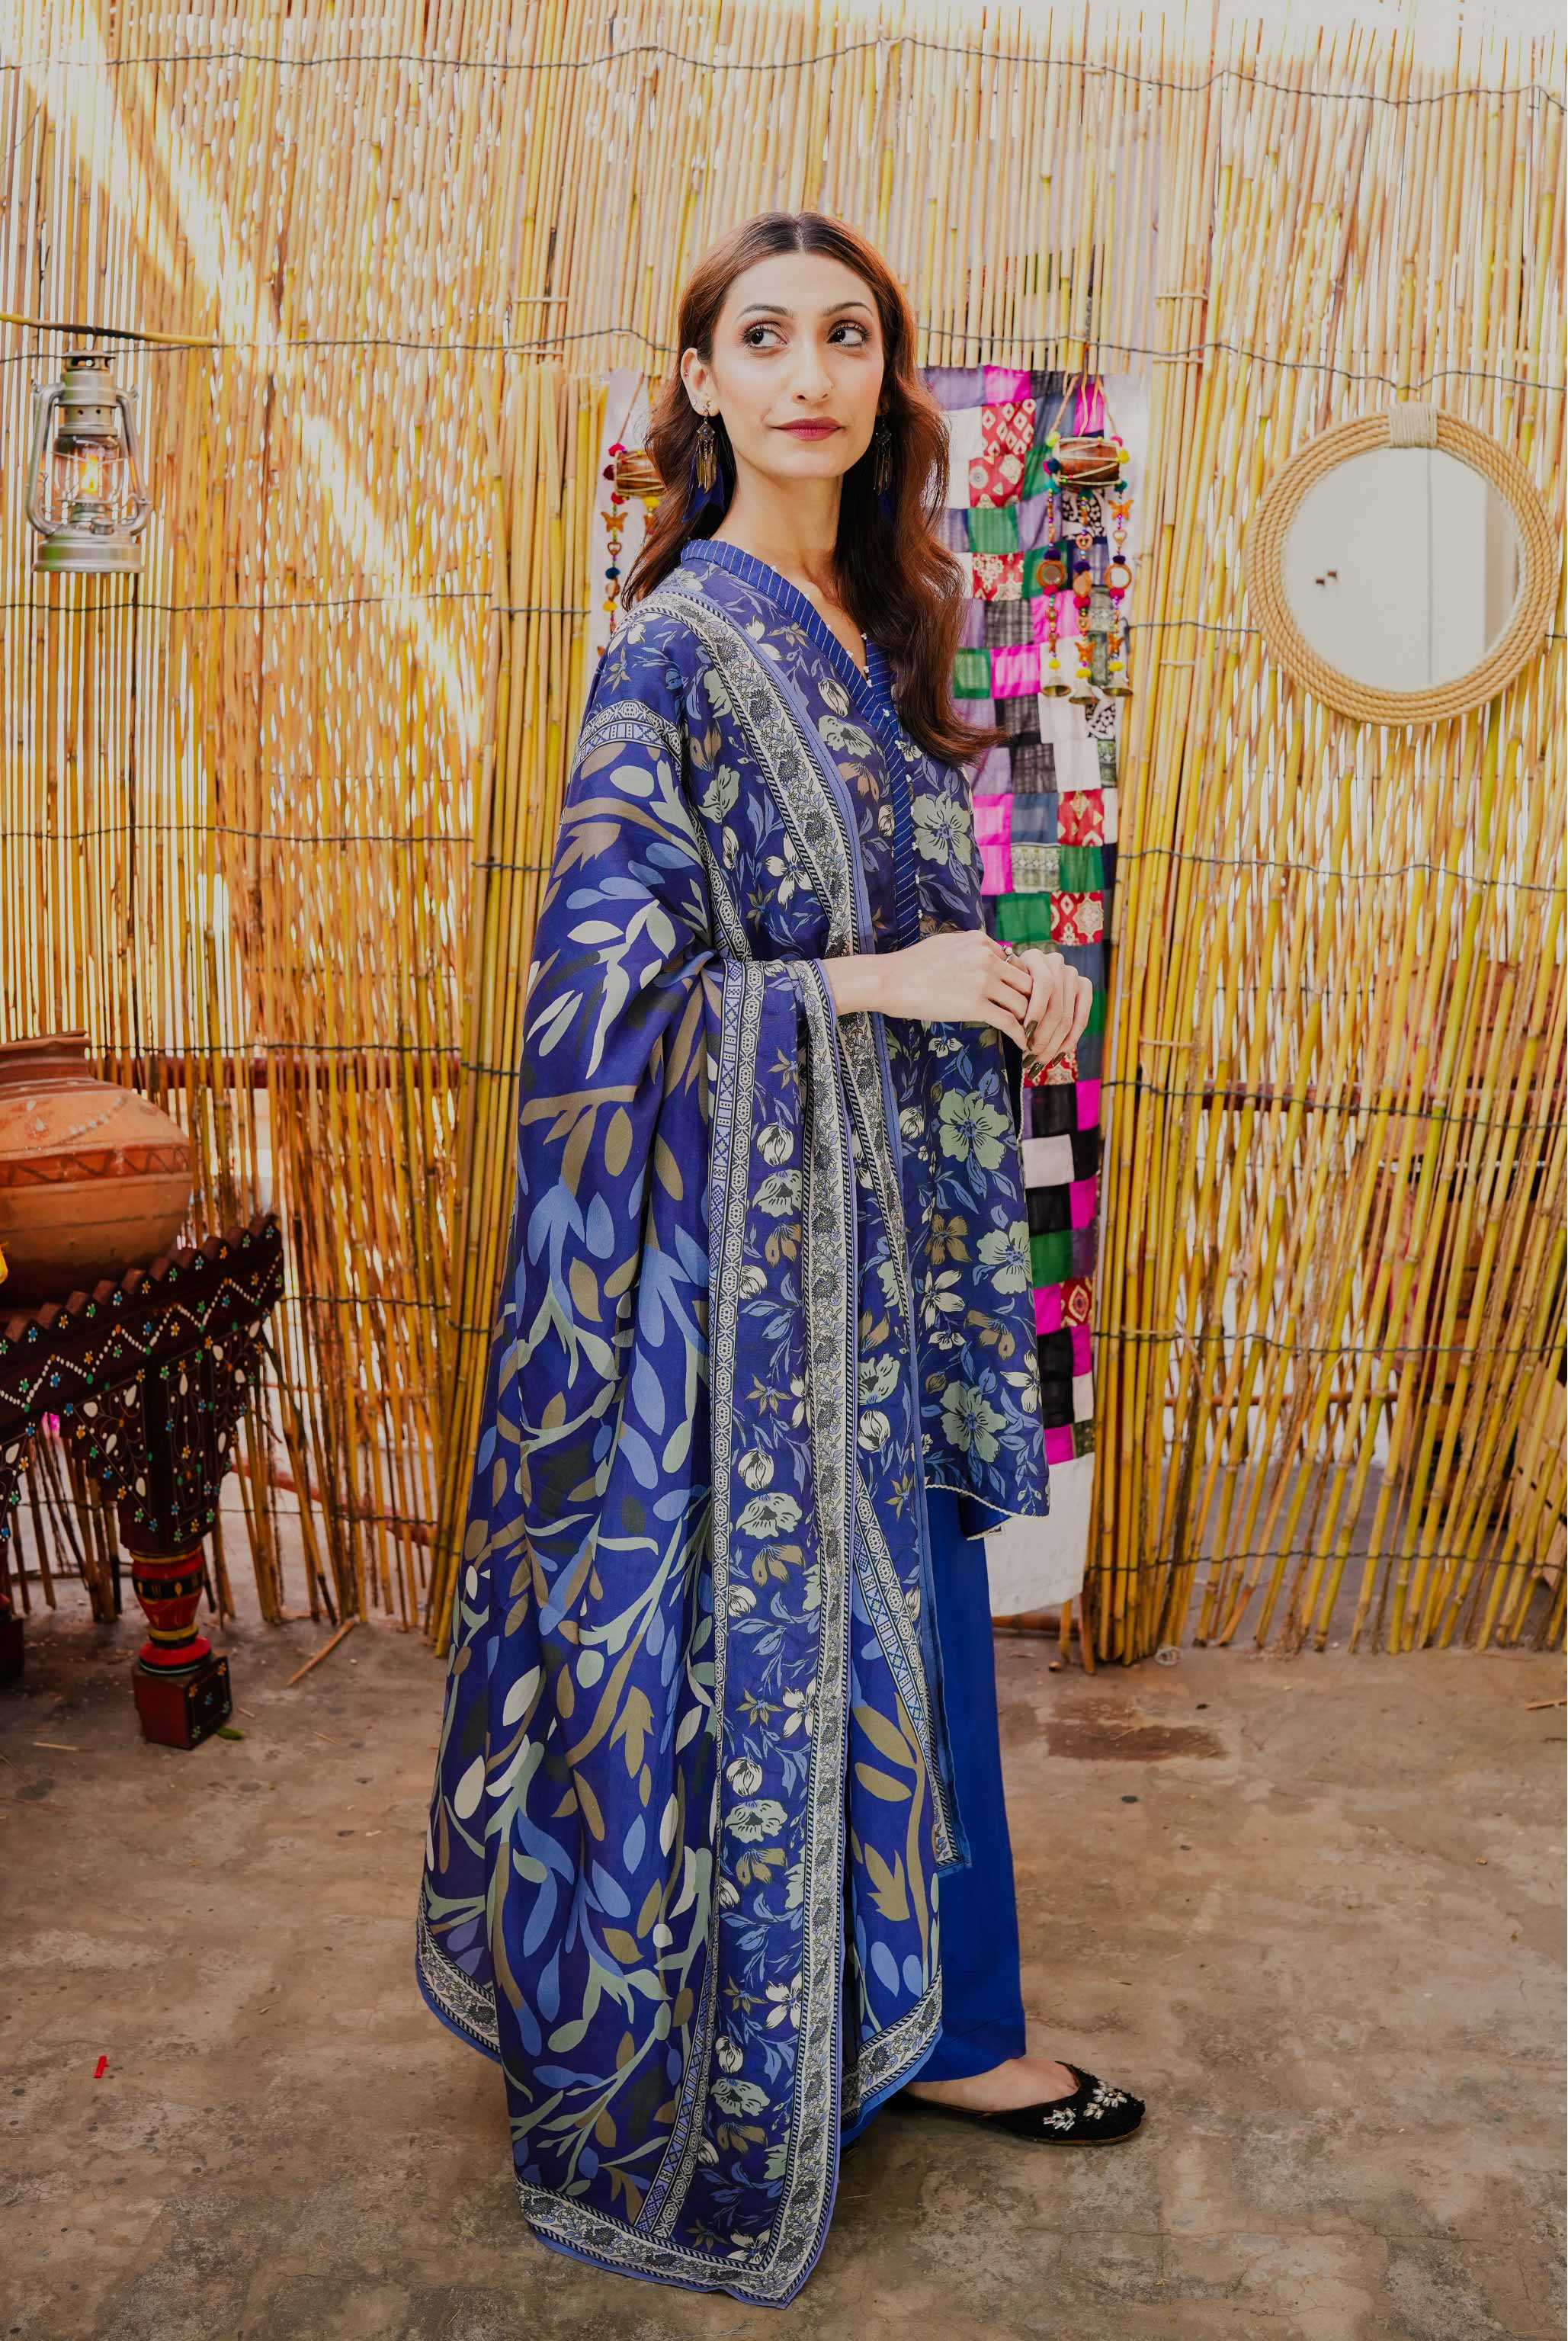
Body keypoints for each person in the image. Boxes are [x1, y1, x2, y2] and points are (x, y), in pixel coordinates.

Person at [415, 208, 1144, 2309]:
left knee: (911, 1630)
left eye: (847, 334)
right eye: (764, 334)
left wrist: (1011, 980)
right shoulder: (673, 645)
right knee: (789, 1637)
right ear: (704, 380)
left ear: (882, 381)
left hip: (876, 1257)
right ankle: (792, 2035)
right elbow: (603, 1007)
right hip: (739, 1293)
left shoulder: (876, 625)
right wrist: (871, 990)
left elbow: (899, 928)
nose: (809, 367)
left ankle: (936, 2022)